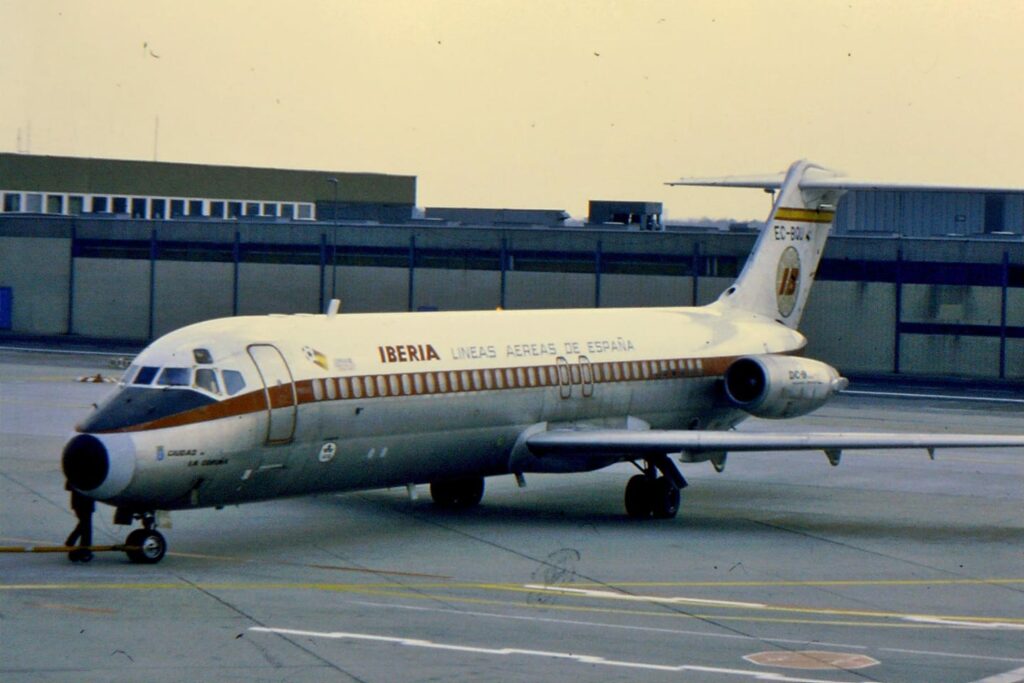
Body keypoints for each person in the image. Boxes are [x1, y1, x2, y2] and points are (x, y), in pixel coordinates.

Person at [65, 485, 95, 563]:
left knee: (84, 524)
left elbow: (68, 486)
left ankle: (73, 542)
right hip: (84, 502)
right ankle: (84, 548)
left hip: (80, 502)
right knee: (86, 526)